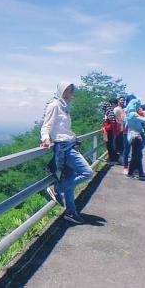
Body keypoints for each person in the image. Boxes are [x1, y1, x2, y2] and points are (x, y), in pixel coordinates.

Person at [41, 81, 93, 225]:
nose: (69, 93)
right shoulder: (54, 105)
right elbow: (46, 126)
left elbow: (63, 128)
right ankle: (56, 189)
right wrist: (46, 139)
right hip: (64, 147)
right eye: (66, 90)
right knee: (87, 173)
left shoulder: (65, 107)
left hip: (70, 144)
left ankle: (71, 212)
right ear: (60, 91)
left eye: (70, 90)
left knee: (70, 180)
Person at [125, 98, 145, 179]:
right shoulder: (133, 114)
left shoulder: (129, 113)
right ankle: (139, 173)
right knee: (137, 155)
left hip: (132, 135)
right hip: (136, 136)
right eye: (138, 104)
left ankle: (134, 172)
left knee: (136, 155)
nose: (138, 106)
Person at [114, 96, 127, 165]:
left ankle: (121, 159)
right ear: (118, 100)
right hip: (117, 128)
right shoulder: (116, 109)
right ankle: (118, 159)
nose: (122, 101)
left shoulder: (124, 109)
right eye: (121, 100)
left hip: (123, 128)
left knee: (122, 144)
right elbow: (114, 119)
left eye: (123, 100)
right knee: (118, 144)